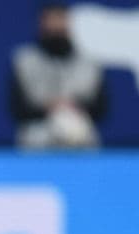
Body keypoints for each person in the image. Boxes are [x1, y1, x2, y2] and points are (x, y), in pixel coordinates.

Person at [9, 2, 108, 149]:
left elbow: (101, 108)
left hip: (81, 132)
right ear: (41, 23)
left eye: (60, 19)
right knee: (37, 136)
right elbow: (17, 109)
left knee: (78, 130)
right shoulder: (24, 60)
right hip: (37, 133)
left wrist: (73, 107)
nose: (55, 26)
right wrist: (50, 108)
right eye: (50, 20)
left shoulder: (90, 61)